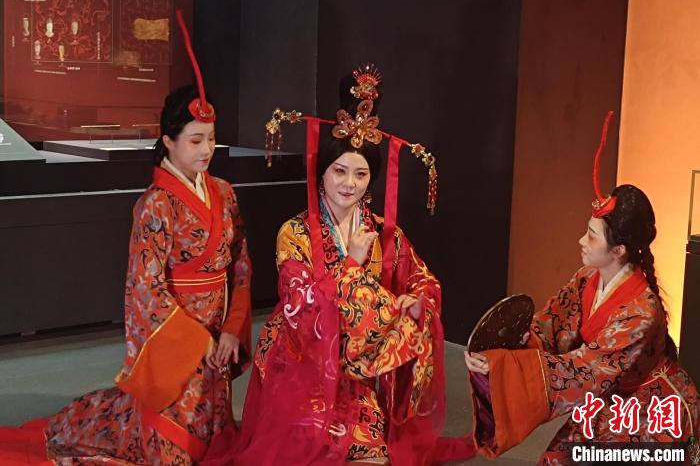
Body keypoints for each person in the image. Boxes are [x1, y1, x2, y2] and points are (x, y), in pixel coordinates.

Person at [0, 10, 252, 465]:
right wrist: (198, 340)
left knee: (218, 441)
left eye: (211, 139)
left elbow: (240, 264)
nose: (206, 150)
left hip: (218, 337)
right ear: (168, 140)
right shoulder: (155, 205)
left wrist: (232, 330)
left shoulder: (225, 192)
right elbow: (145, 291)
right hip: (180, 342)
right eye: (195, 140)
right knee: (173, 455)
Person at [204, 65, 449, 465]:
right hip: (300, 366)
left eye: (361, 173)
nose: (349, 183)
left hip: (359, 371)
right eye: (339, 171)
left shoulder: (384, 233)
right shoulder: (295, 233)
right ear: (322, 172)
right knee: (306, 451)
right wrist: (351, 262)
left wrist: (416, 301)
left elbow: (424, 280)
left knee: (372, 456)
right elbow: (300, 307)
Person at [464, 113, 699, 464]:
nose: (581, 241)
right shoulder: (586, 278)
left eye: (591, 236)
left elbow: (585, 372)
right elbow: (548, 325)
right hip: (604, 395)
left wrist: (505, 368)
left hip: (646, 411)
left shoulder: (641, 312)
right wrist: (507, 347)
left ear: (618, 251)